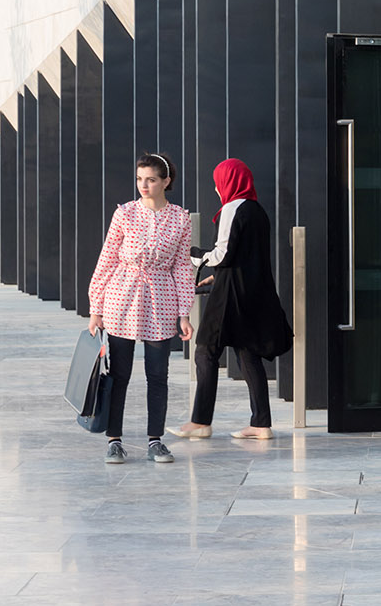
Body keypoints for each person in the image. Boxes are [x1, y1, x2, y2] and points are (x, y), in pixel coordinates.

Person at [170, 158, 292, 441]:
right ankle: (261, 424)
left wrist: (199, 257)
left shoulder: (231, 208)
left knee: (205, 350)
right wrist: (218, 277)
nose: (215, 187)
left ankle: (200, 422)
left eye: (218, 181)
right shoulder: (258, 211)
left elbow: (222, 254)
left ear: (228, 181)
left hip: (231, 296)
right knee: (247, 354)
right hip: (251, 291)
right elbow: (246, 257)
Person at [87, 153, 192, 464]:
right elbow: (107, 259)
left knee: (158, 375)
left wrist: (183, 313)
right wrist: (96, 308)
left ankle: (155, 440)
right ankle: (114, 439)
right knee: (119, 375)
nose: (143, 185)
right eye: (139, 179)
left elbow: (182, 268)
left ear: (166, 182)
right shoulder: (125, 214)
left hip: (161, 300)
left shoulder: (180, 219)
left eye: (151, 180)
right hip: (122, 297)